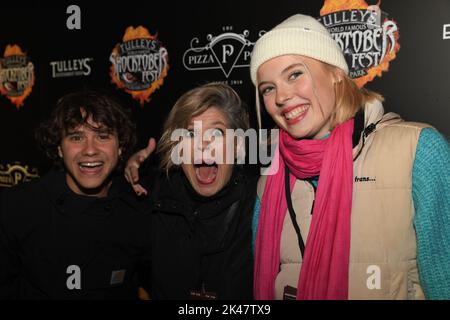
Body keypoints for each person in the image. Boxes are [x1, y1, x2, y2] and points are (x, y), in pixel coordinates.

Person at [250, 14, 450, 300]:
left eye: (295, 74)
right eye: (268, 88)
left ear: (335, 73)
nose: (281, 97)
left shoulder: (418, 152)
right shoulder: (269, 181)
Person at [0, 90, 151, 299]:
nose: (90, 150)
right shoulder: (17, 209)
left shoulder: (138, 208)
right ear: (60, 149)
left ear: (120, 147)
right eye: (76, 137)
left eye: (103, 136)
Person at [125, 83, 257, 299]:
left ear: (238, 146)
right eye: (190, 134)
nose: (202, 144)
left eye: (216, 132)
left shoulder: (260, 207)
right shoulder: (153, 201)